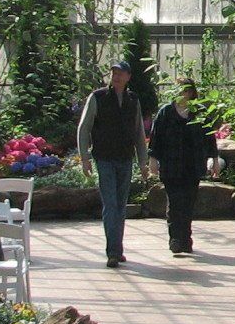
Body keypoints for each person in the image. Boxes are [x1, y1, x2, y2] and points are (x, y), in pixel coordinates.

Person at [78, 59, 149, 268]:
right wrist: (85, 158)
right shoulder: (98, 97)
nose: (116, 76)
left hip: (125, 158)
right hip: (105, 158)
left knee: (120, 205)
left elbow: (138, 133)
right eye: (114, 72)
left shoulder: (133, 100)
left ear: (128, 77)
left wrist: (143, 162)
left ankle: (117, 247)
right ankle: (113, 251)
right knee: (110, 204)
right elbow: (84, 128)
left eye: (121, 73)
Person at [151, 79, 220, 257]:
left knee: (188, 202)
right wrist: (153, 160)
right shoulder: (165, 112)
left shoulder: (200, 113)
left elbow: (210, 138)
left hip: (192, 165)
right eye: (178, 90)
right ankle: (175, 239)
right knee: (174, 202)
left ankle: (186, 238)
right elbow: (156, 138)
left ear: (191, 93)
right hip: (171, 164)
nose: (181, 93)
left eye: (185, 90)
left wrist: (214, 160)